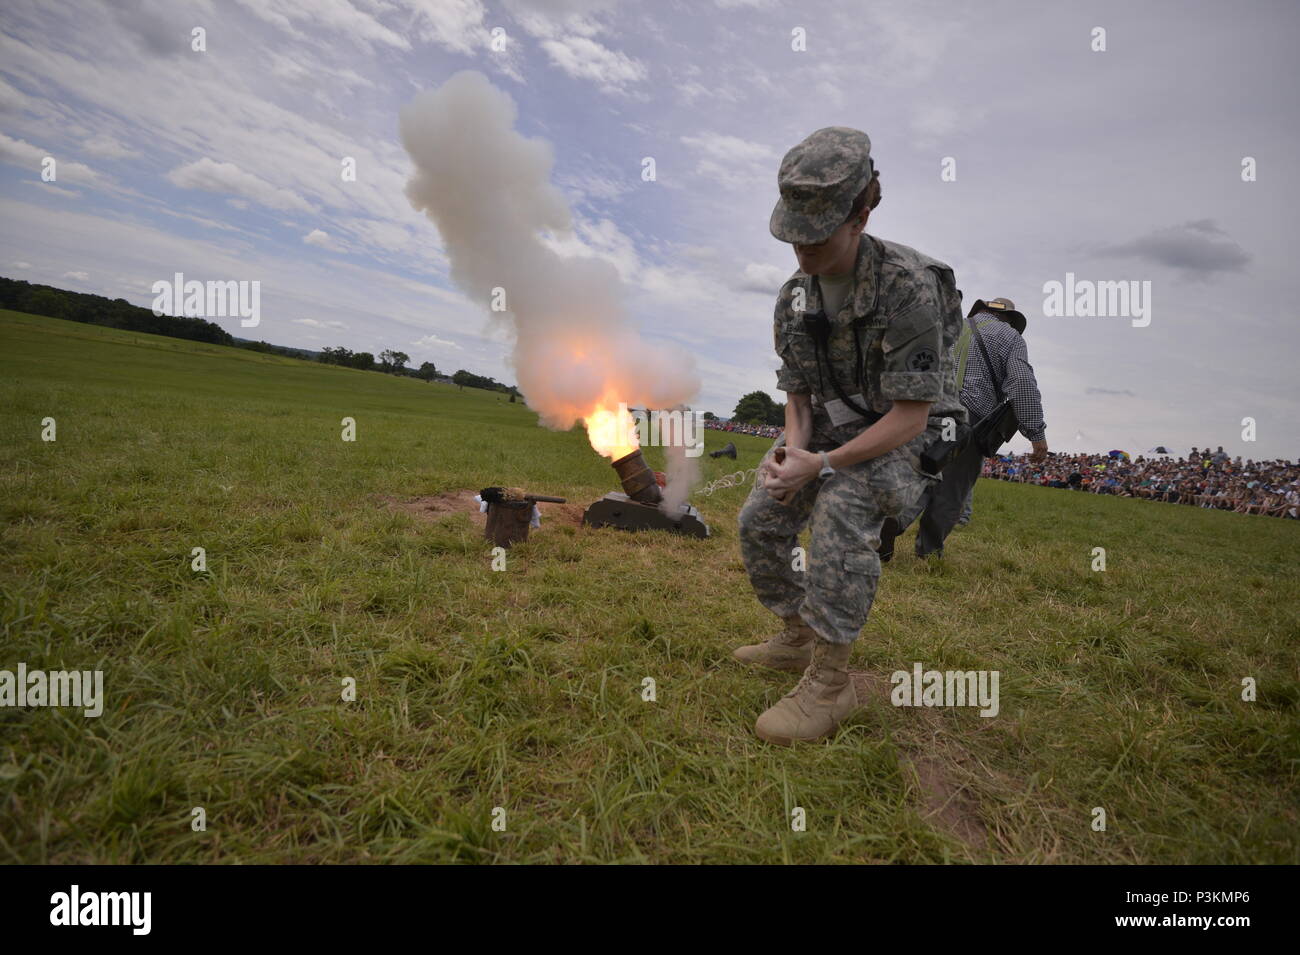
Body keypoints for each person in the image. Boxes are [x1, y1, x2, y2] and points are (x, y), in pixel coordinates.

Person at [733, 127, 966, 744]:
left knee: (842, 508)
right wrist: (791, 452)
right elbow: (799, 395)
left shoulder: (906, 287)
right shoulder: (793, 299)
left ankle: (831, 682)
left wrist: (824, 466)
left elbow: (910, 418)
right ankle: (796, 633)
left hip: (906, 432)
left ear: (862, 213)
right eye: (795, 233)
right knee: (760, 516)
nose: (803, 247)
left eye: (820, 231)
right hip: (836, 427)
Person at [878, 296, 1048, 560]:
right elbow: (1022, 384)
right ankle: (930, 552)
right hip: (969, 418)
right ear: (1010, 319)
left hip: (925, 410)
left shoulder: (949, 325)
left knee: (920, 473)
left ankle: (893, 521)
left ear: (981, 310)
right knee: (953, 487)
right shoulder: (1011, 337)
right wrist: (1035, 432)